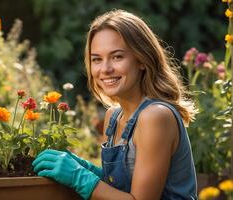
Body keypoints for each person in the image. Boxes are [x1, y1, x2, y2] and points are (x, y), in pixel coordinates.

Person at [32, 9, 197, 200]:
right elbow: (121, 190)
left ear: (142, 59)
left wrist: (80, 177)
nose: (106, 69)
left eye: (117, 56)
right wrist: (86, 168)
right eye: (97, 59)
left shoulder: (155, 116)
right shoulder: (113, 117)